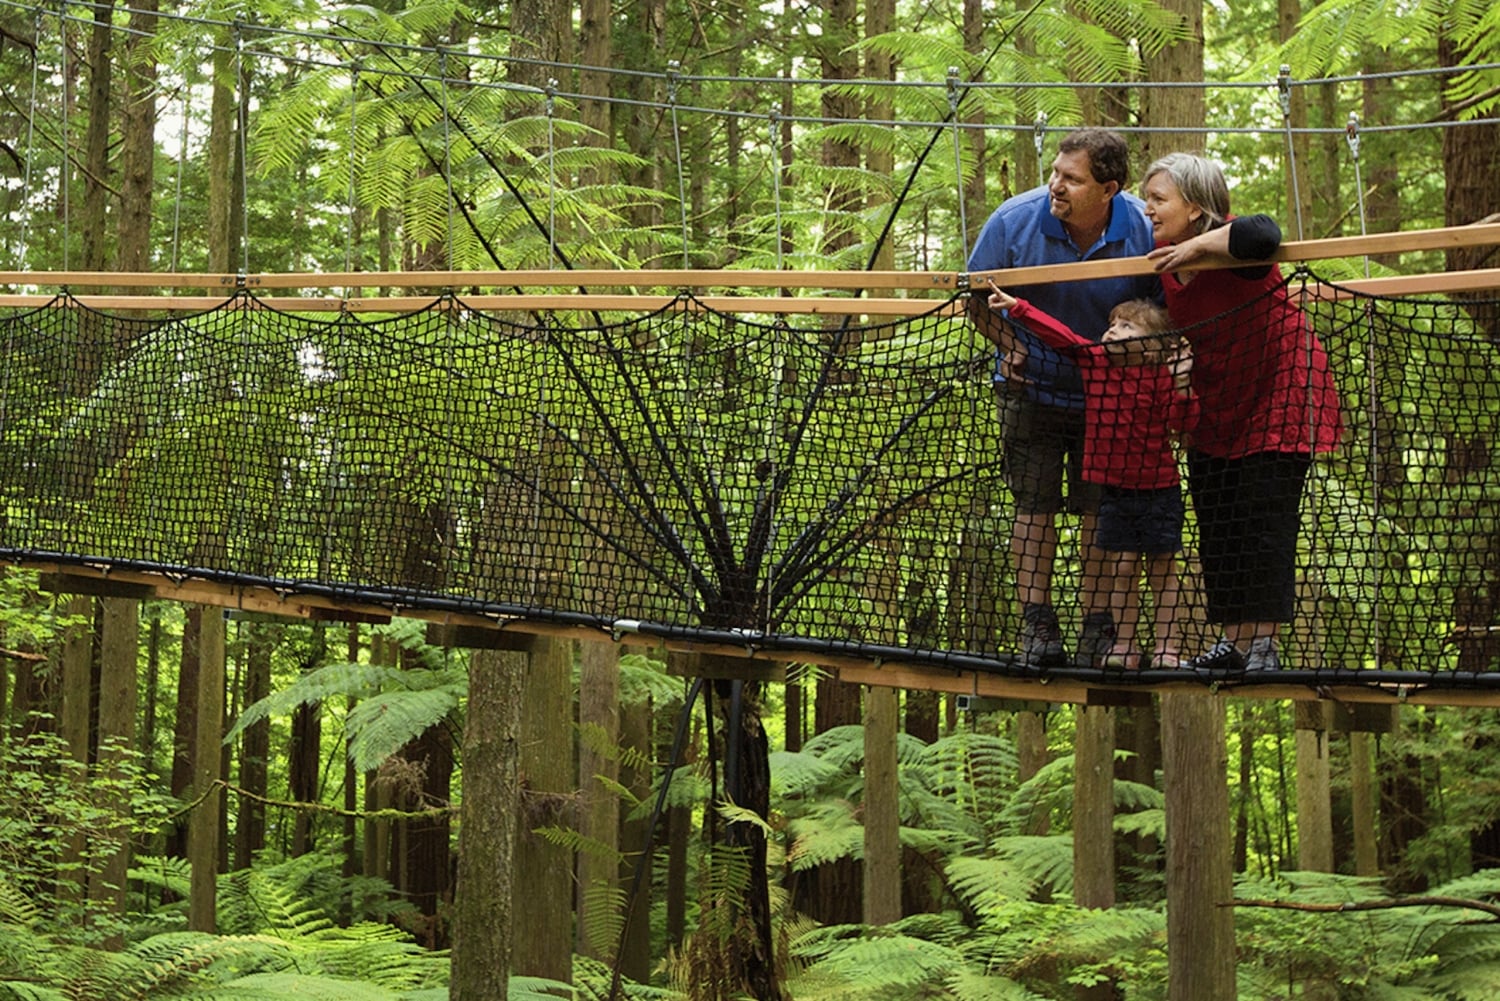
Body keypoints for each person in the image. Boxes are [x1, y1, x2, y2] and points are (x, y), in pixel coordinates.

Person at [1141, 152, 1343, 673]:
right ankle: (1235, 642)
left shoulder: (1237, 246)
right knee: (1217, 517)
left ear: (1194, 205)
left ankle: (1263, 646)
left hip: (1281, 389)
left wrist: (1200, 244)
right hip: (1219, 397)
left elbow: (1263, 233)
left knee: (1263, 514)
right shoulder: (1160, 260)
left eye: (1159, 199)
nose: (1149, 209)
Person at [966, 127, 1159, 667]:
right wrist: (1010, 347)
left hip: (1110, 396)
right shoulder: (1012, 221)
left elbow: (1166, 310)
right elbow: (973, 301)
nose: (1056, 185)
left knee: (1101, 511)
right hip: (1032, 389)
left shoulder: (1145, 227)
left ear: (1109, 188)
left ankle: (1097, 628)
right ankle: (1037, 625)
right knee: (1035, 506)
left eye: (1072, 179)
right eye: (1055, 172)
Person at [986, 282, 1197, 668]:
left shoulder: (1161, 377)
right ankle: (1124, 646)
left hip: (1158, 489)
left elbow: (1180, 425)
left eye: (1128, 328)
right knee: (1122, 568)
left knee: (1164, 569)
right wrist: (1019, 307)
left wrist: (1182, 383)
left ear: (1152, 347)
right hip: (1115, 491)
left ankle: (1167, 647)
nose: (1114, 331)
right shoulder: (1096, 362)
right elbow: (1061, 336)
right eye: (1113, 324)